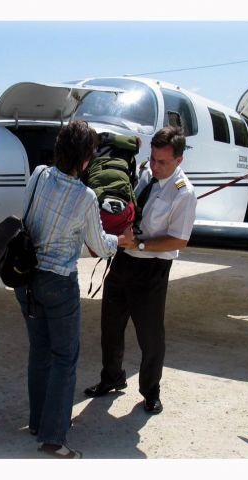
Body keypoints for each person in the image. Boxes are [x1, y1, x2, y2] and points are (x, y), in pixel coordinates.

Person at [14, 120, 135, 459]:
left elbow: (26, 217)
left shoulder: (38, 174)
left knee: (39, 352)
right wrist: (121, 241)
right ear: (85, 160)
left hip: (25, 279)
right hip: (57, 283)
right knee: (65, 358)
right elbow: (99, 244)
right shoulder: (85, 196)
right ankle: (53, 438)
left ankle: (38, 423)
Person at [84, 126, 197, 414]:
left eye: (163, 162)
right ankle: (111, 378)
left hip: (152, 269)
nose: (155, 166)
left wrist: (142, 243)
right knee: (110, 328)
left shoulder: (184, 193)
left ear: (179, 161)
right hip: (123, 260)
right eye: (153, 159)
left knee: (150, 338)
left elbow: (179, 239)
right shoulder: (146, 171)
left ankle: (150, 391)